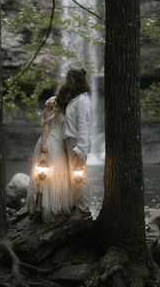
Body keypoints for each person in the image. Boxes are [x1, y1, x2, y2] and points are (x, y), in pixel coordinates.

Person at [26, 84, 73, 224]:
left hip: (60, 144)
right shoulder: (53, 102)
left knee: (58, 176)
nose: (69, 95)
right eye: (67, 93)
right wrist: (43, 145)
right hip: (50, 142)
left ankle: (55, 206)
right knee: (44, 176)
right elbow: (46, 125)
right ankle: (41, 208)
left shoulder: (69, 105)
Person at [63, 68, 93, 221]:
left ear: (75, 81)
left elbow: (84, 125)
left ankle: (82, 211)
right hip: (72, 142)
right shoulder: (77, 99)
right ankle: (78, 207)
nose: (66, 83)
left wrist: (80, 149)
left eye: (68, 80)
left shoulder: (82, 101)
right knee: (75, 176)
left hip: (76, 143)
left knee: (79, 176)